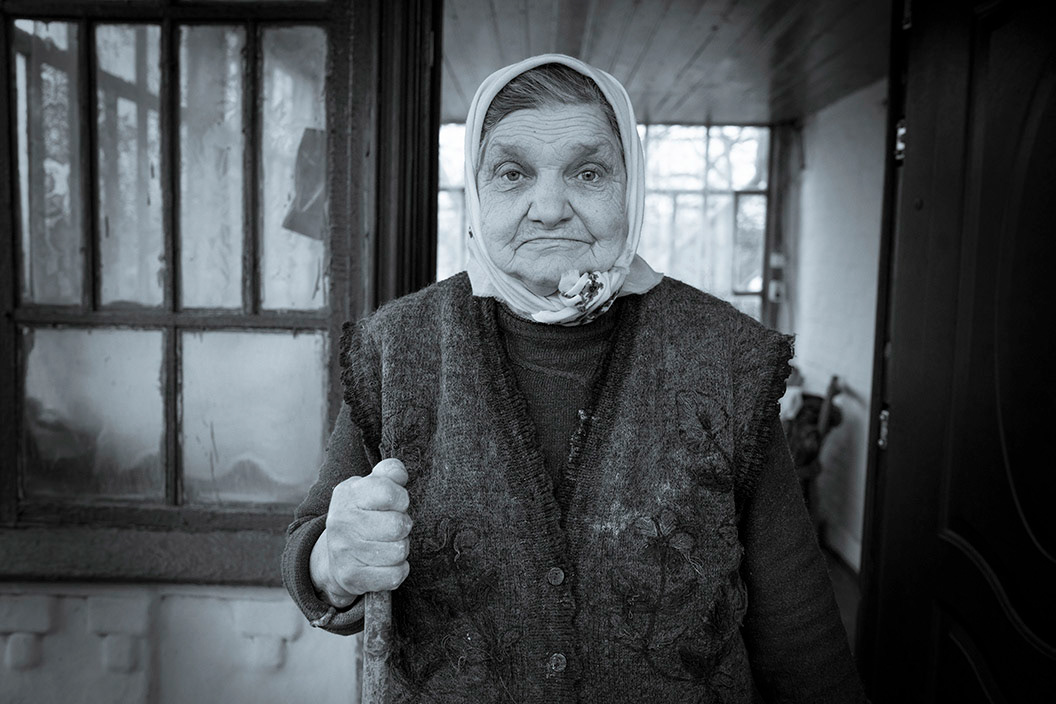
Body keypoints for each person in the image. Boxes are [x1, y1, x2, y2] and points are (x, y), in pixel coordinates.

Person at [283, 54, 868, 703]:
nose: (549, 208)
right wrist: (333, 563)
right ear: (477, 191)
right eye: (512, 173)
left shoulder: (724, 356)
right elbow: (309, 547)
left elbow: (799, 630)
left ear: (629, 187)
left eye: (588, 173)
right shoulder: (397, 347)